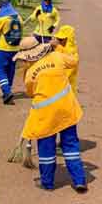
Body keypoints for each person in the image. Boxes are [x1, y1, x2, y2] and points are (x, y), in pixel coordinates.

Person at [16, 42, 88, 193]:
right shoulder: (57, 57)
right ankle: (79, 179)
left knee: (46, 149)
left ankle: (47, 183)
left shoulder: (31, 73)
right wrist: (59, 47)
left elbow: (30, 92)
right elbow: (74, 60)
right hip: (67, 112)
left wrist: (28, 69)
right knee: (71, 146)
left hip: (45, 116)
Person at [0, 0, 24, 104]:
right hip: (16, 48)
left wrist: (0, 32)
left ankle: (6, 90)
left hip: (3, 49)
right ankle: (7, 92)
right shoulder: (18, 17)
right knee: (11, 69)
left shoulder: (2, 19)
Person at [52, 25, 79, 92]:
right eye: (58, 39)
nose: (58, 41)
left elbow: (64, 74)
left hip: (65, 92)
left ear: (68, 39)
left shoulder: (71, 53)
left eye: (60, 39)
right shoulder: (63, 48)